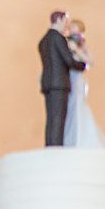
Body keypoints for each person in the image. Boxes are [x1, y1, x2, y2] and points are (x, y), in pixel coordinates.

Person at [37, 10, 84, 146]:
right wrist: (82, 65)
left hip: (47, 83)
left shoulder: (43, 41)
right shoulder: (58, 38)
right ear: (58, 21)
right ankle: (56, 149)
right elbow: (68, 60)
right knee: (58, 118)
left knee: (51, 119)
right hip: (59, 83)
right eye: (65, 22)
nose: (66, 25)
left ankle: (49, 146)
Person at [62, 19, 105, 148]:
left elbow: (90, 61)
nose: (71, 29)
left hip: (77, 80)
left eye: (74, 27)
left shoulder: (80, 44)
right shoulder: (65, 42)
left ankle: (78, 138)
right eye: (71, 26)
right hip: (68, 79)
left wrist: (76, 50)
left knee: (77, 106)